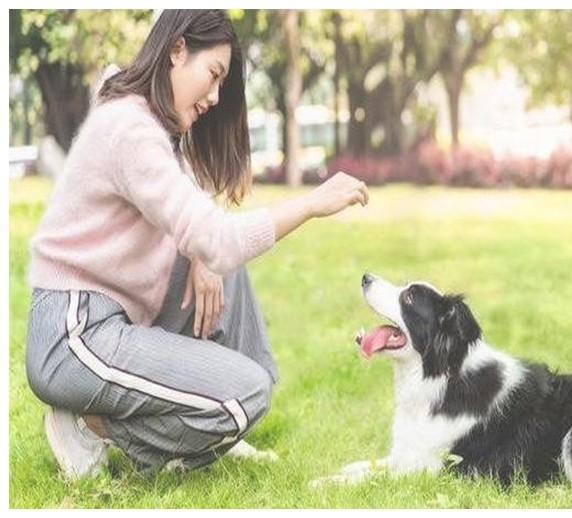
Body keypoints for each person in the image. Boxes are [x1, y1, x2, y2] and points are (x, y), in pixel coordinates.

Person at [25, 9, 369, 479]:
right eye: (213, 75)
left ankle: (224, 424)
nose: (215, 96)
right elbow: (218, 237)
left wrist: (202, 254)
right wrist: (310, 204)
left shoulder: (148, 120)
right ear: (177, 51)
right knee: (245, 391)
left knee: (224, 269)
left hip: (113, 320)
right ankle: (92, 425)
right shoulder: (129, 129)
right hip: (74, 336)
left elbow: (199, 220)